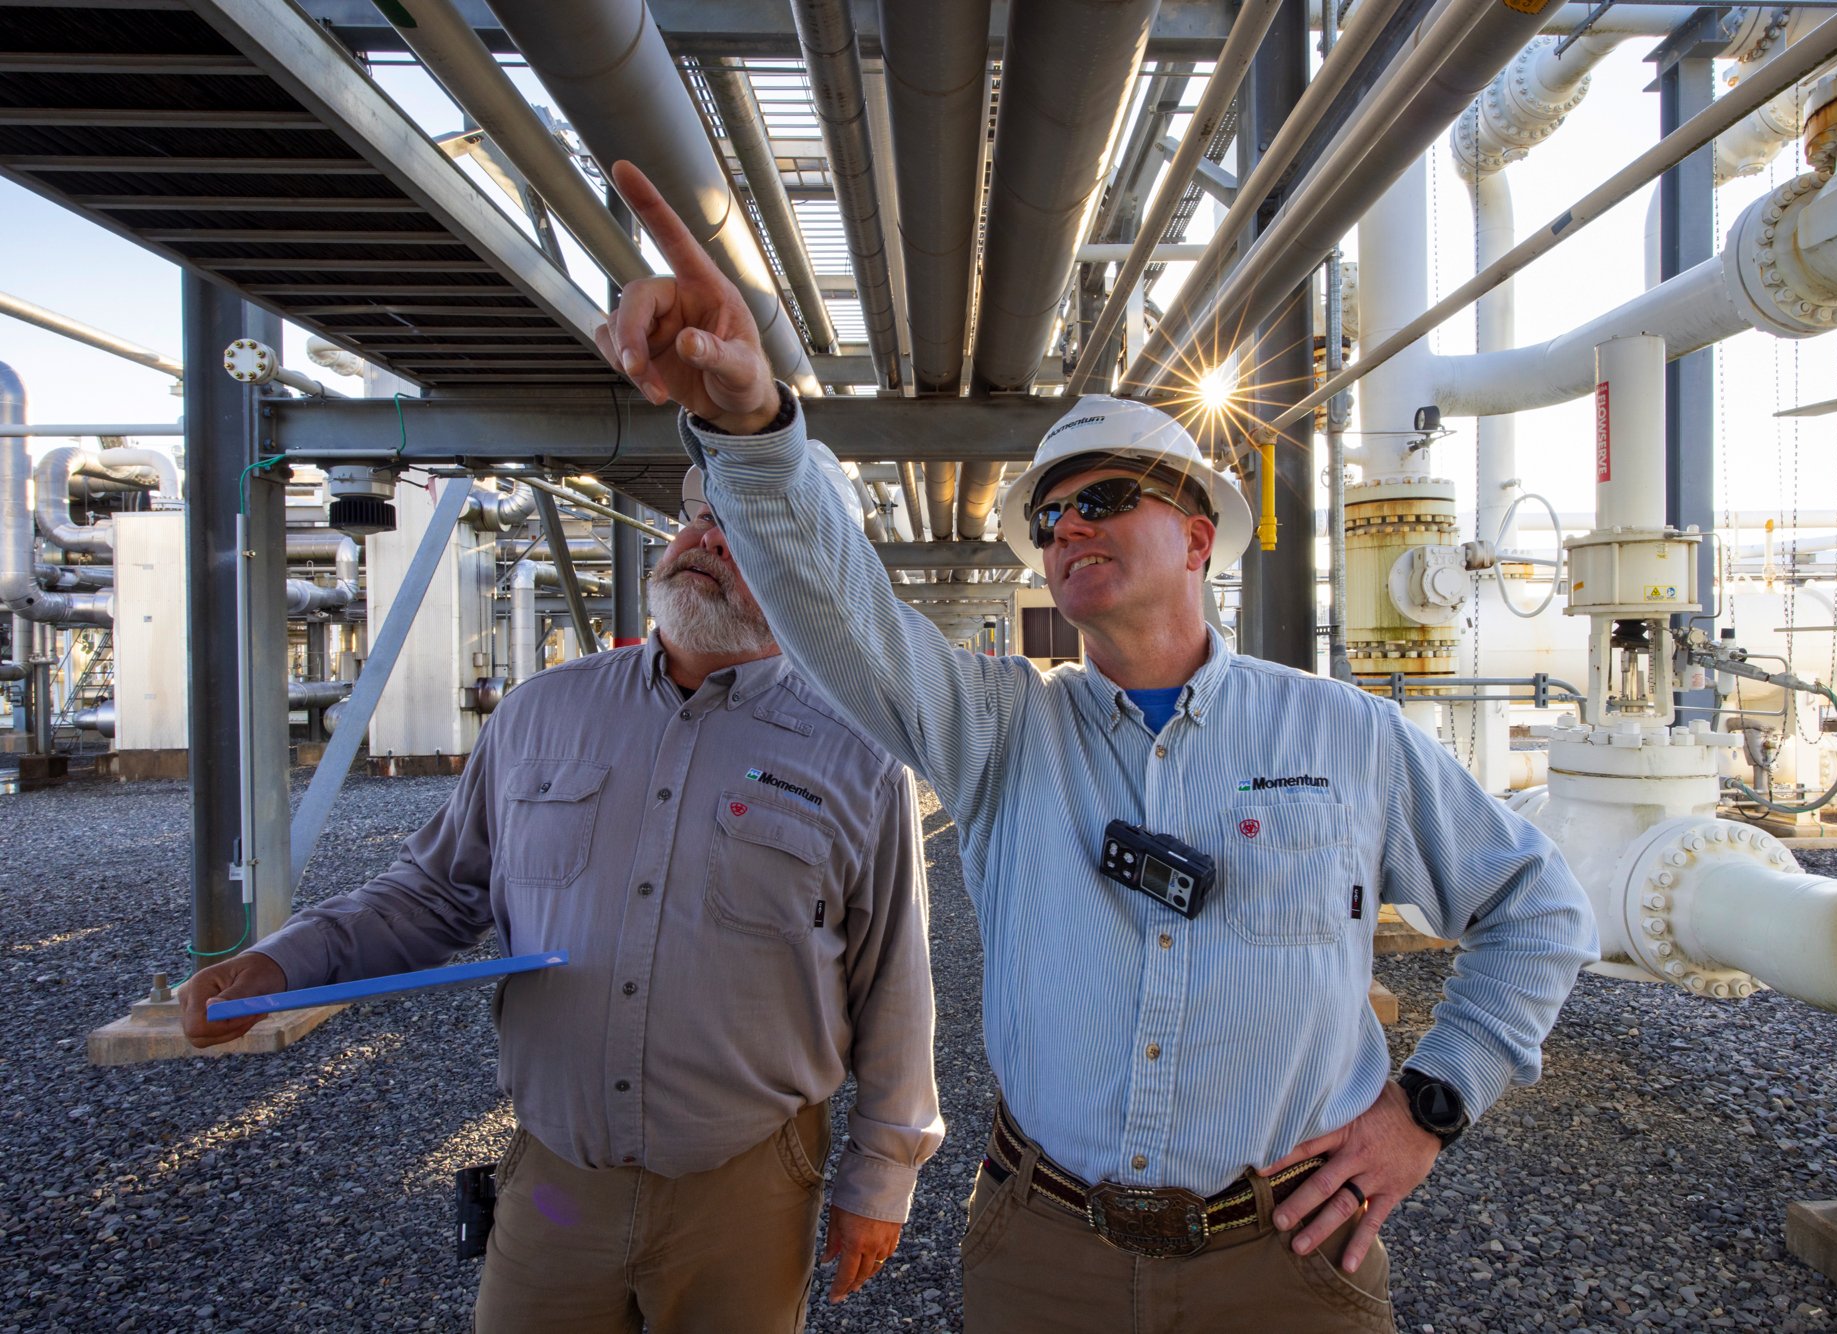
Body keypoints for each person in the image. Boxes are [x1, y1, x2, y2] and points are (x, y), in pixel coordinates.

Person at [597, 159, 1596, 1333]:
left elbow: (1535, 906)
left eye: (1106, 495)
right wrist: (750, 428)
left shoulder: (1344, 735)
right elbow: (843, 613)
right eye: (1051, 514)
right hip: (1046, 1253)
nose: (1069, 524)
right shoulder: (1004, 729)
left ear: (1196, 532)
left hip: (1282, 1259)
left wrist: (1426, 1103)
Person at [179, 460, 944, 1334]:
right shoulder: (541, 714)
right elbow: (431, 892)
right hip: (555, 1180)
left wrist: (883, 1176)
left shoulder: (858, 756)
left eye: (752, 530)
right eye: (703, 514)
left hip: (748, 1184)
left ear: (819, 575)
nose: (706, 537)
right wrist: (283, 961)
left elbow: (896, 985)